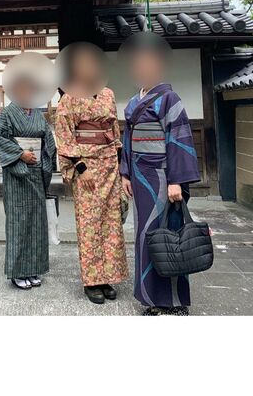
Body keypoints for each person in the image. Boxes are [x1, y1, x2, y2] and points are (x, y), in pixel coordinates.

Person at [120, 33, 200, 315]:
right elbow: (127, 140)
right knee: (146, 235)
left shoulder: (169, 98)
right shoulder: (134, 102)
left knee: (168, 235)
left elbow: (178, 139)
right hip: (140, 176)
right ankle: (153, 298)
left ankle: (175, 301)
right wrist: (125, 173)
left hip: (163, 176)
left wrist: (177, 180)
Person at [55, 43, 129, 304]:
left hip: (109, 165)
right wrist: (80, 167)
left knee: (111, 222)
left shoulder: (108, 94)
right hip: (86, 167)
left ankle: (108, 277)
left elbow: (115, 131)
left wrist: (120, 166)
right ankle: (92, 280)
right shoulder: (69, 96)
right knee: (89, 223)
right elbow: (64, 134)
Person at [0, 75, 57, 290]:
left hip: (36, 172)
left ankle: (34, 268)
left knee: (37, 222)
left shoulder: (37, 114)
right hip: (16, 174)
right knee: (18, 222)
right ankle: (18, 272)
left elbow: (48, 141)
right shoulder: (7, 114)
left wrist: (44, 161)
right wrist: (20, 154)